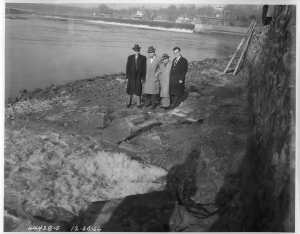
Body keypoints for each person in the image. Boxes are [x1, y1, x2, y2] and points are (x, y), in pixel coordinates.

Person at [125, 44, 146, 108]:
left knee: (138, 90)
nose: (137, 51)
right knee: (129, 90)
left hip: (139, 76)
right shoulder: (130, 57)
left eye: (138, 50)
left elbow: (144, 68)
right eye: (135, 50)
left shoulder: (143, 58)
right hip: (131, 76)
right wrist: (127, 77)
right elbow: (127, 67)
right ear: (134, 50)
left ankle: (138, 104)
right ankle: (129, 103)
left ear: (139, 50)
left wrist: (143, 78)